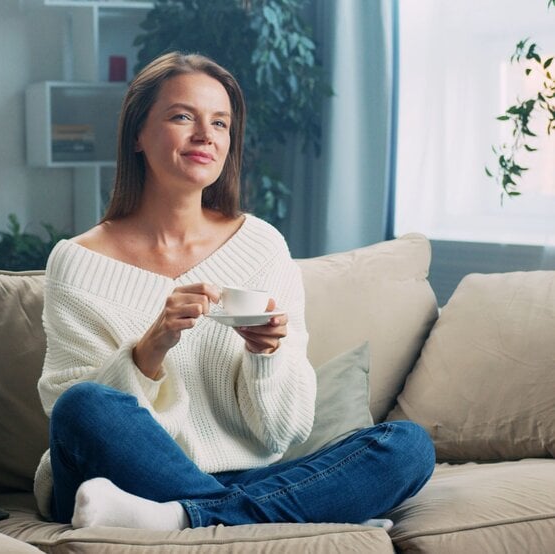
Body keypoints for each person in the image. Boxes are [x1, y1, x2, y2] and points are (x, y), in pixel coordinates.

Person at [33, 51, 435, 531]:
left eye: (220, 123)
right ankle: (295, 514)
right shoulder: (77, 261)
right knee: (85, 402)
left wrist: (265, 358)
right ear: (138, 134)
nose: (206, 135)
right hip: (120, 477)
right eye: (183, 116)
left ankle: (184, 517)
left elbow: (282, 433)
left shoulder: (262, 245)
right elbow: (69, 416)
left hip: (246, 471)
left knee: (408, 447)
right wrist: (149, 349)